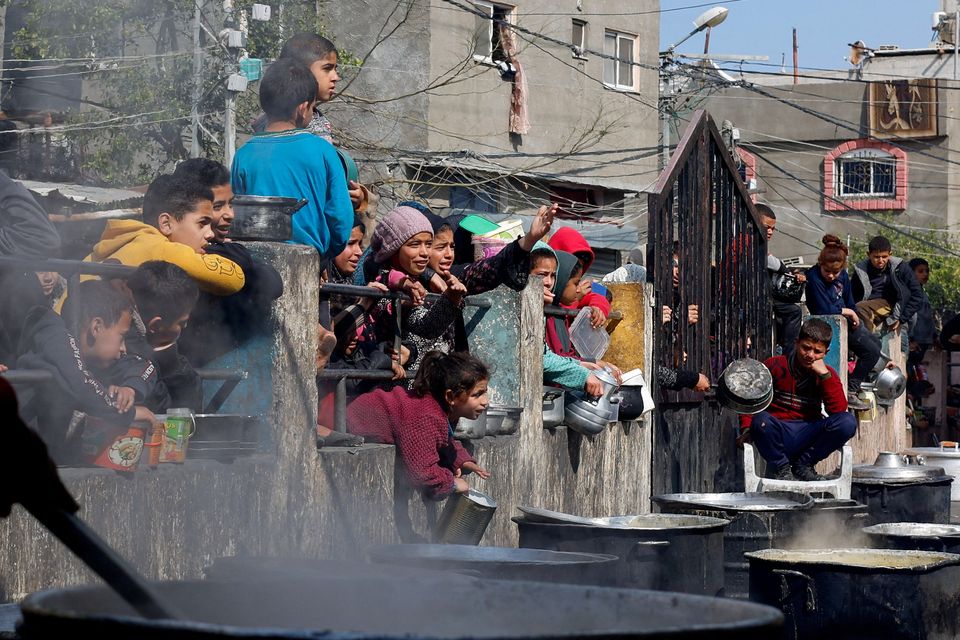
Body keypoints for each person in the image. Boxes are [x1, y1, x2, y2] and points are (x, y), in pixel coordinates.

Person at [16, 281, 155, 461]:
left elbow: (145, 365)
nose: (124, 349)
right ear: (96, 327)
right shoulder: (55, 336)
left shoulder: (95, 355)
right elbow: (81, 382)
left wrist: (130, 388)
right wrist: (129, 413)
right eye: (121, 337)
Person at [232, 57, 353, 259]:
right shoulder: (323, 151)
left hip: (254, 263)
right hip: (309, 259)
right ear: (303, 108)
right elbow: (340, 218)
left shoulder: (243, 154)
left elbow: (234, 212)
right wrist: (325, 255)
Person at [172, 158, 284, 366]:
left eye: (231, 204)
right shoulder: (183, 254)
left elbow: (274, 282)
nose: (230, 214)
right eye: (218, 206)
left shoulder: (227, 250)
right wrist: (239, 255)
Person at [346, 351, 491, 500]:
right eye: (477, 394)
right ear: (450, 397)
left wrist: (462, 460)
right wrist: (452, 483)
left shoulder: (441, 409)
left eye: (485, 392)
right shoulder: (424, 416)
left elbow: (443, 439)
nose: (485, 401)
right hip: (342, 424)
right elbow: (422, 473)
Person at [84, 173, 245, 296]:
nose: (210, 234)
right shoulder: (160, 249)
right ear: (166, 224)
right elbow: (235, 280)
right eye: (202, 223)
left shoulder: (125, 241)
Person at [739, 318, 857, 482]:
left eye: (817, 352)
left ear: (826, 353)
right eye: (806, 348)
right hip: (777, 431)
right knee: (761, 421)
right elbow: (751, 399)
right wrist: (746, 428)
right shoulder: (775, 365)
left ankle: (804, 465)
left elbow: (838, 411)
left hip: (808, 431)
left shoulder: (828, 374)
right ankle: (781, 469)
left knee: (848, 422)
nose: (810, 355)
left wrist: (824, 376)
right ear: (796, 343)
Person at [273, 32, 370, 214]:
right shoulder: (279, 124)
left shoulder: (319, 120)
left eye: (335, 69)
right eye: (327, 68)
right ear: (299, 72)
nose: (336, 77)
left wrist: (357, 196)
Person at [805, 235, 880, 411]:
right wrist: (849, 312)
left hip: (846, 322)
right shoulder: (813, 277)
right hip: (826, 325)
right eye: (827, 271)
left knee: (874, 346)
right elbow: (823, 309)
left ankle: (853, 384)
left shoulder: (844, 277)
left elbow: (850, 301)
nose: (831, 276)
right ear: (820, 264)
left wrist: (853, 315)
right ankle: (851, 390)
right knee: (871, 351)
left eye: (835, 272)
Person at [124, 261, 202, 412]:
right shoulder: (133, 357)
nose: (185, 326)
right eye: (182, 322)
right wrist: (168, 358)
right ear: (156, 326)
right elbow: (171, 412)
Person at [530, 242, 604, 397]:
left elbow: (604, 292)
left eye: (553, 275)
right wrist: (582, 372)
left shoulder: (547, 307)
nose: (549, 282)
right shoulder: (546, 309)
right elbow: (541, 359)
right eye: (542, 275)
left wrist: (598, 306)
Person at [757, 204, 805, 358]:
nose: (770, 232)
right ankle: (788, 356)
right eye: (767, 227)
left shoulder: (757, 245)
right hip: (758, 298)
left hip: (763, 297)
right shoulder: (754, 246)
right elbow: (779, 266)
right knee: (794, 311)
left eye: (773, 228)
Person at [851, 235, 923, 336]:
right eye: (876, 257)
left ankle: (869, 340)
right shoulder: (860, 270)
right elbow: (852, 294)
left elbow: (917, 294)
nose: (880, 260)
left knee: (860, 308)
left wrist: (901, 318)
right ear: (868, 254)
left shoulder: (900, 268)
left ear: (890, 254)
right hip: (869, 307)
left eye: (884, 257)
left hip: (891, 305)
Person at [548, 227, 611, 328]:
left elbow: (604, 293)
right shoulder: (544, 289)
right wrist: (575, 301)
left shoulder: (578, 287)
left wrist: (598, 308)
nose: (577, 268)